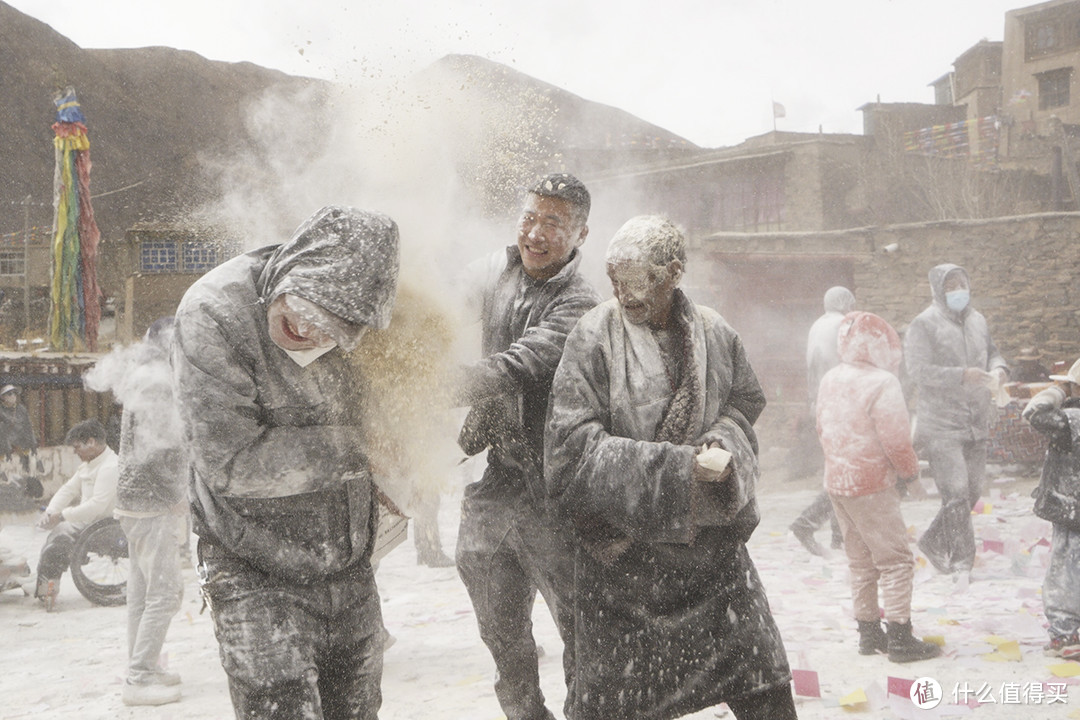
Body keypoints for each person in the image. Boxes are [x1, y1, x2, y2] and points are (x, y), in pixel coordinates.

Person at [546, 215, 795, 720]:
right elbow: (569, 448)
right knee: (613, 706)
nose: (622, 293)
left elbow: (744, 403)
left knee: (764, 684)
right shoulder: (593, 336)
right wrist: (678, 469)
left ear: (673, 273)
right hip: (622, 558)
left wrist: (723, 444)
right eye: (613, 279)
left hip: (709, 556)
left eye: (636, 279)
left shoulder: (714, 332)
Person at [173, 206, 399, 719]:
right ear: (294, 266)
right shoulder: (214, 313)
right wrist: (355, 449)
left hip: (347, 560)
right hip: (251, 561)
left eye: (332, 328)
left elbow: (402, 402)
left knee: (359, 710)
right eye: (305, 306)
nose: (305, 329)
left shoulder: (373, 315)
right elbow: (229, 461)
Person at [454, 173, 600, 720]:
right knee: (498, 623)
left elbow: (520, 365)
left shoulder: (580, 302)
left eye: (553, 224)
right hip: (501, 473)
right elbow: (447, 294)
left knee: (583, 633)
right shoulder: (501, 268)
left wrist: (440, 382)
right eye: (529, 218)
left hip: (557, 484)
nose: (536, 233)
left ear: (581, 233)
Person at [817, 311, 940, 663]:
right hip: (871, 483)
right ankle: (900, 637)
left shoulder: (831, 378)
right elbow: (897, 441)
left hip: (837, 481)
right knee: (896, 561)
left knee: (861, 562)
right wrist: (912, 478)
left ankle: (869, 634)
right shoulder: (883, 383)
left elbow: (822, 429)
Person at [905, 263, 1008, 576]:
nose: (957, 291)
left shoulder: (978, 320)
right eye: (950, 286)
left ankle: (934, 541)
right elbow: (918, 371)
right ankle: (963, 562)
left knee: (973, 490)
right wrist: (961, 376)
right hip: (941, 423)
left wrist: (1000, 368)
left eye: (961, 284)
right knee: (956, 492)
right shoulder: (923, 324)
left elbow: (993, 352)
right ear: (938, 289)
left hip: (976, 419)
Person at [114, 317, 188, 707]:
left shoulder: (142, 376)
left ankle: (141, 666)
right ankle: (141, 675)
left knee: (141, 596)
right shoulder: (159, 383)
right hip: (151, 503)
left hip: (131, 501)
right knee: (165, 593)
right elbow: (158, 450)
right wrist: (175, 493)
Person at [789, 285, 855, 556]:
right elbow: (849, 364)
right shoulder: (843, 324)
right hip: (840, 405)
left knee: (839, 470)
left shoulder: (818, 325)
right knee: (846, 473)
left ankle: (841, 537)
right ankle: (808, 523)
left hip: (821, 405)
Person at [1022, 357, 1080, 659]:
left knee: (1066, 570)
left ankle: (1065, 633)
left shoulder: (1070, 420)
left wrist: (1054, 392)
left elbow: (1033, 412)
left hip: (1072, 507)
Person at [33, 418, 118, 610]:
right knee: (55, 539)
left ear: (91, 442)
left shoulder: (110, 467)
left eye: (77, 447)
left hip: (104, 525)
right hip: (89, 522)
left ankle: (48, 588)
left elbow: (97, 505)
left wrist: (62, 516)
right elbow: (68, 490)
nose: (75, 452)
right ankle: (45, 584)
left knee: (60, 539)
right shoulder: (90, 463)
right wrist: (50, 511)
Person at [0, 384, 37, 470]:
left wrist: (33, 444)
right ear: (3, 397)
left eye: (14, 393)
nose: (13, 396)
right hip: (4, 448)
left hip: (21, 446)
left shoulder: (21, 409)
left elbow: (28, 427)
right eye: (9, 394)